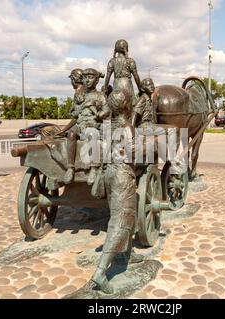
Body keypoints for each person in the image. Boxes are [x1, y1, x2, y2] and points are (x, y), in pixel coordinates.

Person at [91, 89, 144, 294]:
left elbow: (100, 153)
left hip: (109, 174)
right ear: (127, 106)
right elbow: (134, 155)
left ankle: (126, 254)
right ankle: (101, 272)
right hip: (123, 175)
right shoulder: (127, 127)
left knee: (123, 216)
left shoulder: (107, 126)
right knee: (120, 222)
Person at [63, 68, 110, 185]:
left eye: (90, 77)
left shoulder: (101, 96)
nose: (87, 80)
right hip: (81, 124)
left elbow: (106, 111)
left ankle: (94, 168)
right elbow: (74, 114)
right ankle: (70, 168)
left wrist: (99, 115)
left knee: (93, 134)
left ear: (97, 80)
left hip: (92, 124)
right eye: (84, 77)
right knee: (71, 134)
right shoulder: (80, 95)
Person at [102, 39, 143, 106]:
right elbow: (136, 77)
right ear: (126, 48)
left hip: (117, 85)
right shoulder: (130, 61)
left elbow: (107, 77)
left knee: (116, 103)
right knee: (131, 104)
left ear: (116, 49)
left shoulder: (112, 61)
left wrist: (105, 89)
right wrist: (140, 90)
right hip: (127, 85)